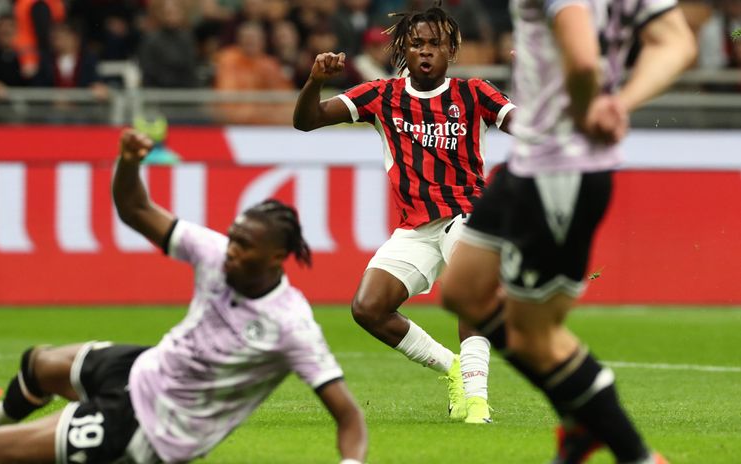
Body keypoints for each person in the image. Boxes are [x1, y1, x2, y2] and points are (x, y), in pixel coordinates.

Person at [0, 129, 368, 464]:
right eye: (232, 238)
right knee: (38, 364)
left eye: (244, 246)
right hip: (144, 368)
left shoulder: (290, 325)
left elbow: (349, 415)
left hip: (154, 428)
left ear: (276, 258)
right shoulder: (215, 253)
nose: (230, 251)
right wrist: (128, 164)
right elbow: (135, 209)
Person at [439, 0, 696, 462]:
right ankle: (580, 415)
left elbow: (580, 58)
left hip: (559, 170)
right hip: (529, 164)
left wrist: (587, 105)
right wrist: (619, 103)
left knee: (536, 336)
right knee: (463, 290)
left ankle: (633, 451)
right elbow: (676, 42)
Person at [293, 2, 516, 424]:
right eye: (417, 44)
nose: (426, 51)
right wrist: (314, 81)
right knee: (368, 308)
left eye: (436, 44)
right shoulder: (382, 96)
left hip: (467, 215)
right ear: (403, 50)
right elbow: (307, 121)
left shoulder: (475, 93)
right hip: (416, 227)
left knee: (470, 294)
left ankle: (477, 401)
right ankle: (451, 367)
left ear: (451, 50)